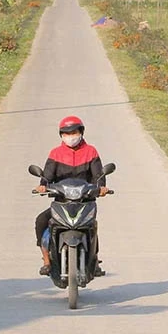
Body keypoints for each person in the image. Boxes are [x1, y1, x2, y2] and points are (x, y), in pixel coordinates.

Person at [34, 116, 109, 276]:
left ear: (81, 132)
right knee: (41, 220)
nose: (70, 136)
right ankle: (47, 260)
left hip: (85, 202)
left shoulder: (91, 151)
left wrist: (101, 188)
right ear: (61, 135)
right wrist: (42, 185)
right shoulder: (55, 153)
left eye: (74, 132)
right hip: (62, 202)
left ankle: (94, 260)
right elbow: (47, 176)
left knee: (91, 227)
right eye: (66, 133)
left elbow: (98, 175)